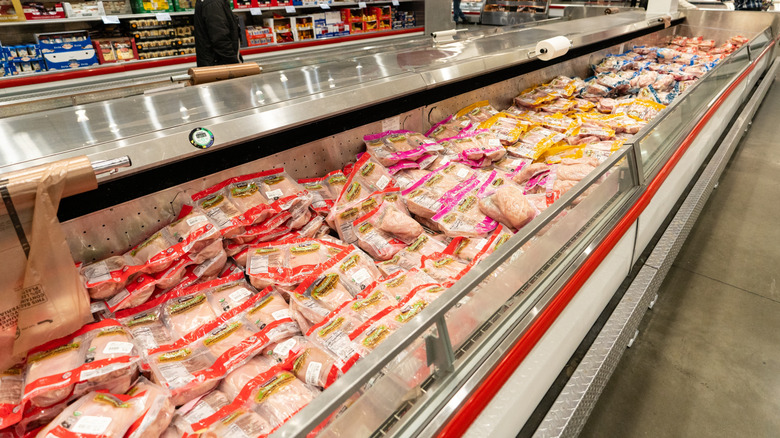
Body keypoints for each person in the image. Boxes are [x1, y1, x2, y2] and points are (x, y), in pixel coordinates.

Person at [194, 0, 242, 67]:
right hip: (219, 66)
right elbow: (220, 38)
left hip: (214, 63)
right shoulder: (213, 3)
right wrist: (233, 62)